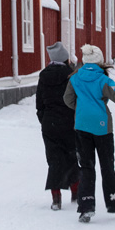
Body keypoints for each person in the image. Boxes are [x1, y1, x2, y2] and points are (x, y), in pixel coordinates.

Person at [64, 44, 115, 223]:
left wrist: (81, 110)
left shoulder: (75, 78)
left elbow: (68, 99)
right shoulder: (103, 79)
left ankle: (86, 206)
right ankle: (113, 201)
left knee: (86, 167)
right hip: (102, 128)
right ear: (99, 61)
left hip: (81, 127)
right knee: (107, 165)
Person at [35, 42, 79, 210]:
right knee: (72, 157)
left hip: (50, 124)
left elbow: (40, 104)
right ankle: (75, 191)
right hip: (70, 123)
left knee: (54, 160)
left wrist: (45, 119)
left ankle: (56, 198)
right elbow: (77, 100)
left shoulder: (43, 76)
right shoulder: (71, 75)